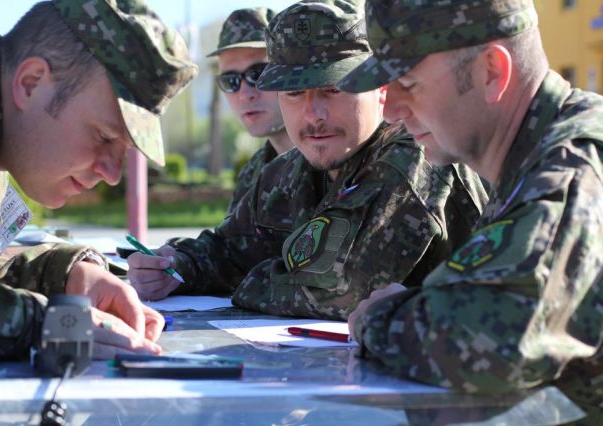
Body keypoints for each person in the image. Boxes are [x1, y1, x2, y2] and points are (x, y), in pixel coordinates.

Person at [128, 0, 487, 321]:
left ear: (379, 87)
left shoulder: (414, 156)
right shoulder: (288, 171)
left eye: (333, 89)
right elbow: (229, 250)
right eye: (294, 93)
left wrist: (247, 278)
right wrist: (176, 266)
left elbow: (339, 293)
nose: (313, 114)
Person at [338, 0, 603, 421]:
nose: (390, 112)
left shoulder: (571, 168)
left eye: (408, 82)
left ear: (491, 72)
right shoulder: (531, 161)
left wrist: (381, 317)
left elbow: (491, 342)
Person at [0, 0, 198, 361]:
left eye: (123, 150)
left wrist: (63, 275)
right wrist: (39, 322)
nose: (111, 173)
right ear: (31, 84)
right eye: (103, 136)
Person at [207, 7, 293, 213]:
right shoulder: (254, 173)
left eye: (259, 74)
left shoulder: (332, 162)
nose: (245, 94)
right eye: (230, 81)